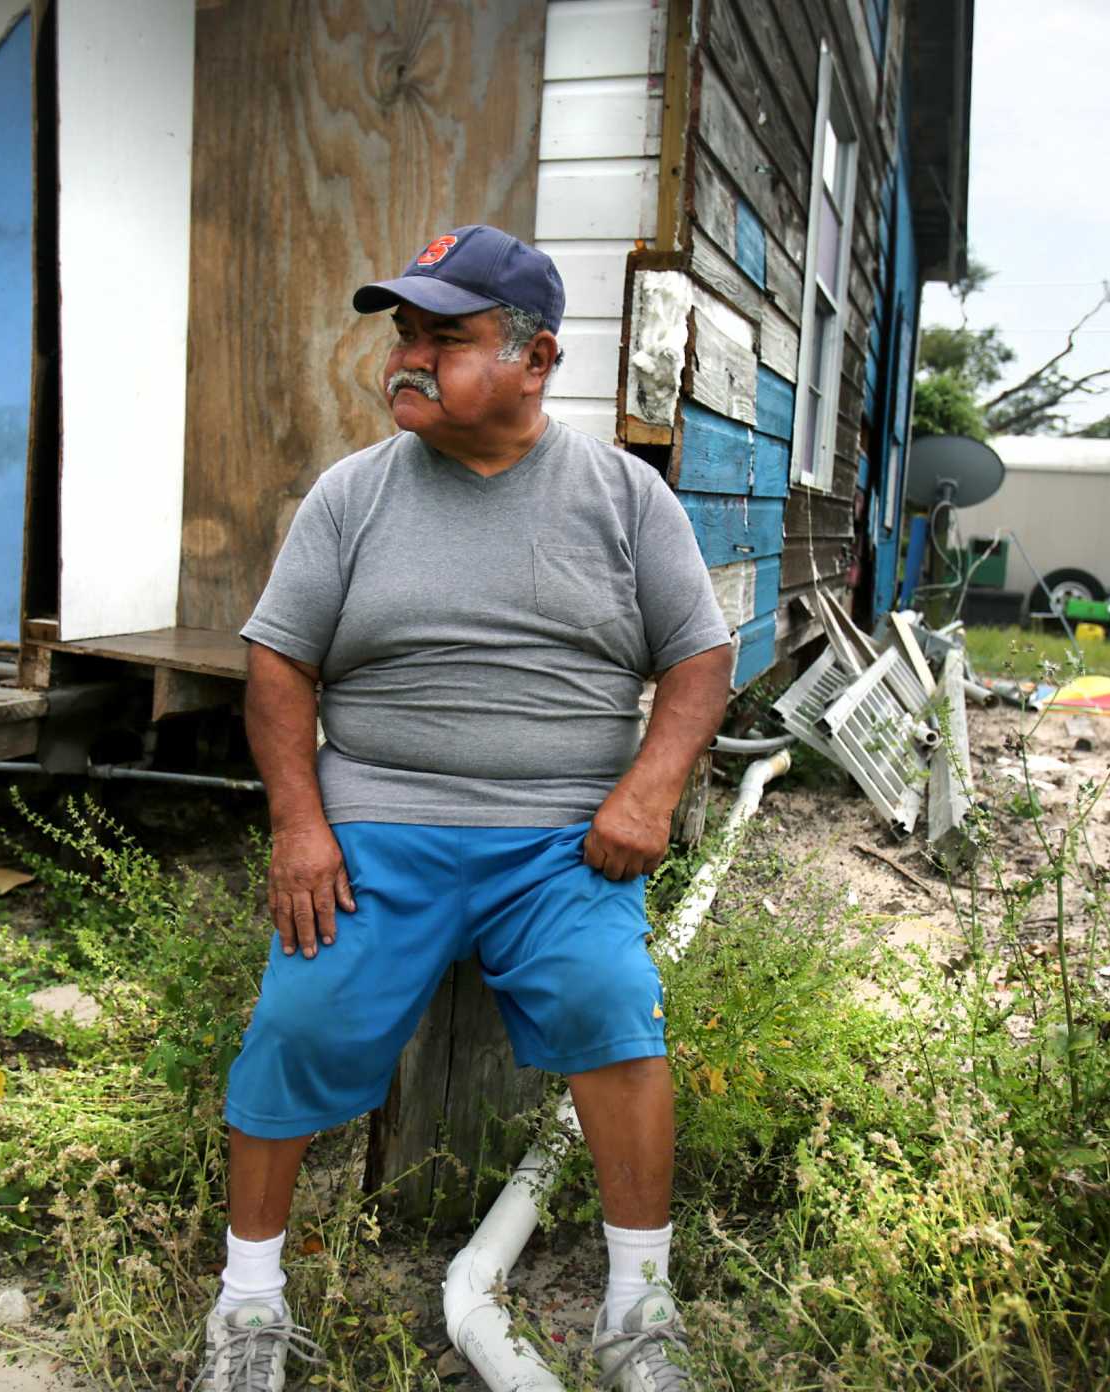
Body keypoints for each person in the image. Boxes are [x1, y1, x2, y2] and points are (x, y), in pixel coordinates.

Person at [196, 225, 733, 1391]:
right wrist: (298, 822)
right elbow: (279, 665)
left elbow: (698, 658)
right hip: (375, 826)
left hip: (559, 836)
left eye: (446, 338)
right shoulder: (350, 497)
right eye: (404, 334)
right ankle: (245, 1308)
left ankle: (640, 1309)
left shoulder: (622, 496)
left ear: (535, 358)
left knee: (611, 1001)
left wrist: (649, 789)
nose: (407, 358)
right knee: (301, 1020)